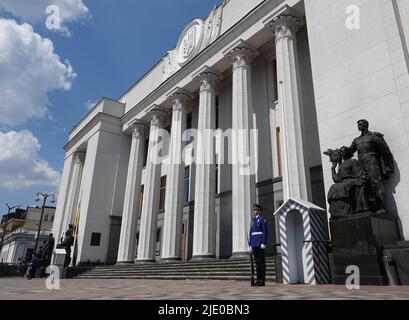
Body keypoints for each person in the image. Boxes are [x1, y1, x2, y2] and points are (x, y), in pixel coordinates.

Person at [350, 119, 394, 214]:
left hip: (372, 161)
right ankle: (367, 207)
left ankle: (383, 208)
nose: (359, 126)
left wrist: (383, 162)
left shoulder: (373, 136)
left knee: (377, 184)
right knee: (363, 185)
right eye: (358, 124)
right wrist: (336, 154)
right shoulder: (356, 140)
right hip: (360, 163)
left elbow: (385, 149)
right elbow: (349, 152)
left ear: (366, 125)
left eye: (360, 124)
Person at [327, 146, 371, 218]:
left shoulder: (353, 161)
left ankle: (348, 208)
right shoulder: (341, 165)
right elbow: (337, 180)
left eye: (344, 151)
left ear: (348, 153)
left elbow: (360, 173)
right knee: (333, 187)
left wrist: (362, 178)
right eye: (341, 151)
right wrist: (333, 169)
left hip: (352, 180)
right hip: (343, 182)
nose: (342, 153)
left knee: (343, 186)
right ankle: (337, 209)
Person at [248, 204, 268, 286]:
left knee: (261, 263)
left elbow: (265, 232)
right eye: (254, 210)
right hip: (254, 243)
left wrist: (263, 242)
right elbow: (251, 233)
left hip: (260, 243)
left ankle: (262, 281)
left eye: (256, 210)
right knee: (256, 263)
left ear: (259, 211)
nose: (254, 211)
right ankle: (258, 279)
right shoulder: (252, 220)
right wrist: (250, 244)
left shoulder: (263, 219)